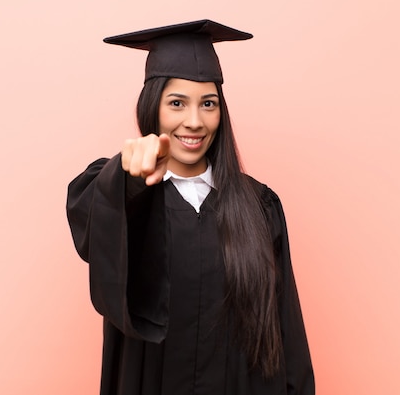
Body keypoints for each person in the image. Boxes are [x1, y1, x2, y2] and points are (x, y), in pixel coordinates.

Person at [66, 19, 314, 395]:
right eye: (177, 103)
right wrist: (128, 176)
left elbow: (287, 334)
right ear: (153, 107)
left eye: (208, 104)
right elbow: (95, 222)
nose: (194, 122)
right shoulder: (125, 196)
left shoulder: (259, 207)